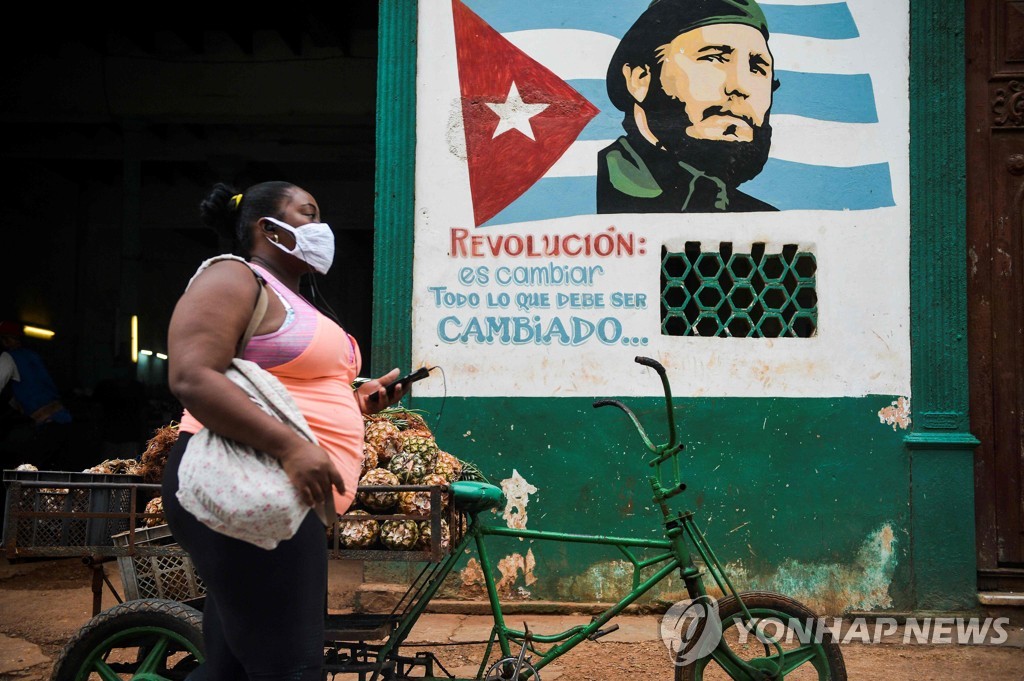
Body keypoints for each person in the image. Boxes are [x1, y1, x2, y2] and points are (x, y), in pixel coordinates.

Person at [162, 181, 405, 680]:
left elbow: (295, 391)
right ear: (267, 228)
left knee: (232, 667)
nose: (321, 229)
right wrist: (292, 448)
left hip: (290, 497)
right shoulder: (233, 277)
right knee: (292, 668)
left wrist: (358, 402)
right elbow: (190, 374)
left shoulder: (300, 299)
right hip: (256, 486)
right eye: (307, 214)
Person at [597, 0, 779, 213]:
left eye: (757, 68)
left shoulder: (765, 221)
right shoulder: (602, 187)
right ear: (640, 79)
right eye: (714, 57)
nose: (740, 86)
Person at [0, 321, 73, 470]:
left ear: (5, 340)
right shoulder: (33, 356)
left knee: (27, 472)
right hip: (62, 421)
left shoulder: (8, 357)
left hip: (46, 425)